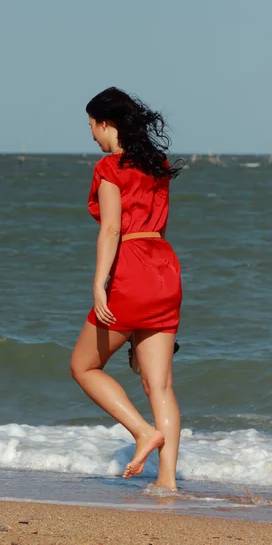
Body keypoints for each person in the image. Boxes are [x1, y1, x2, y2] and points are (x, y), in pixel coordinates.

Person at [70, 87, 182, 491]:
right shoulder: (158, 164)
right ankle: (167, 482)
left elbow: (113, 229)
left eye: (92, 126)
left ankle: (141, 431)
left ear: (106, 122)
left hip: (130, 267)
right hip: (165, 267)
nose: (92, 136)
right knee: (161, 384)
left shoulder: (109, 168)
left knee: (83, 366)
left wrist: (99, 284)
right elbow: (160, 225)